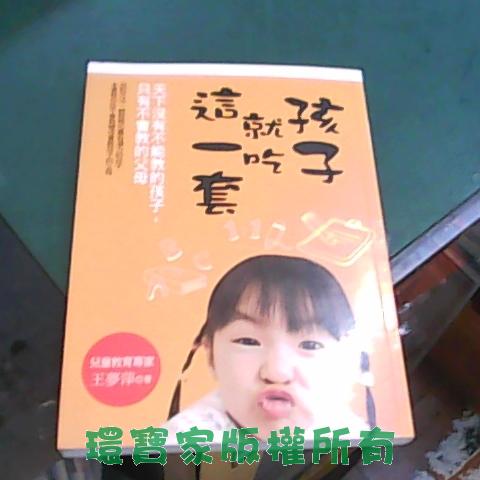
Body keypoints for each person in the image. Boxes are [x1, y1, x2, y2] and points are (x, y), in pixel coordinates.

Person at [163, 254, 373, 444]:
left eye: (310, 345)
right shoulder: (181, 443)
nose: (277, 372)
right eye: (248, 341)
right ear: (210, 354)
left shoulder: (351, 437)